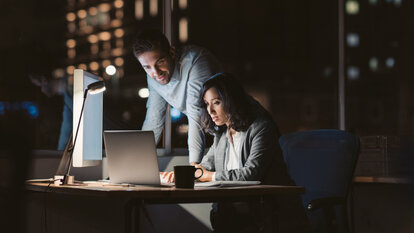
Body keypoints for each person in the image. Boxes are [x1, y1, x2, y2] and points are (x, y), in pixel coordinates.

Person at [163, 73, 307, 232]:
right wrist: (183, 175)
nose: (210, 110)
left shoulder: (261, 128)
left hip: (266, 213)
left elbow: (250, 174)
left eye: (216, 102)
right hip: (233, 214)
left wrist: (208, 176)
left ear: (232, 101)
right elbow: (206, 166)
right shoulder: (222, 134)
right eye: (206, 104)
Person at [132, 29, 222, 164]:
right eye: (147, 67)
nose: (155, 73)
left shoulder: (196, 60)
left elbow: (195, 115)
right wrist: (133, 165)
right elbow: (153, 120)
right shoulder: (153, 77)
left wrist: (193, 168)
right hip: (219, 134)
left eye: (160, 62)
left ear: (172, 52)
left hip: (242, 125)